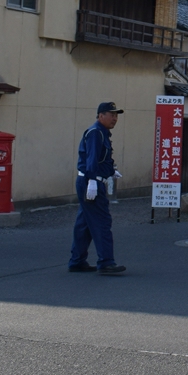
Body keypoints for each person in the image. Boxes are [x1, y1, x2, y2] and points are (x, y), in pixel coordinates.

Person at [69, 102, 126, 275]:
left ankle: (77, 261)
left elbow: (100, 159)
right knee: (102, 221)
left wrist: (111, 171)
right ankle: (106, 262)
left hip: (89, 180)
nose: (115, 119)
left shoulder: (101, 133)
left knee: (84, 223)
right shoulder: (96, 133)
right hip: (90, 181)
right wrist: (93, 181)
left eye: (116, 115)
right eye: (111, 114)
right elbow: (91, 159)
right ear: (101, 115)